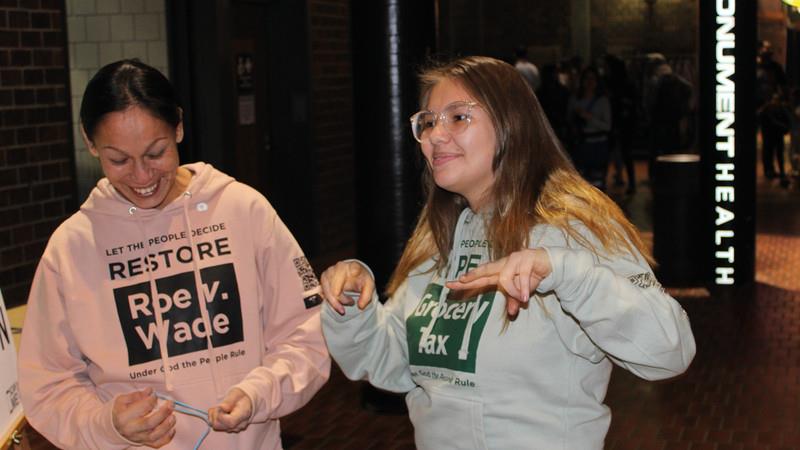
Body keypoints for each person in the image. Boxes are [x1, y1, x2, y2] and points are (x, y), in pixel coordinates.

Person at [319, 56, 695, 450]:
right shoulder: (439, 236)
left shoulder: (575, 224)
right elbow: (393, 363)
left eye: (458, 118)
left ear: (510, 124)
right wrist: (352, 307)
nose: (434, 135)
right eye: (428, 122)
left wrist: (565, 273)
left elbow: (670, 351)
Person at [17, 59, 330, 450]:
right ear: (90, 142)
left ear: (178, 127)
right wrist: (106, 423)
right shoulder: (72, 247)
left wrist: (257, 394)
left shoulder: (242, 211)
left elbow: (306, 336)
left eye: (155, 152)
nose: (142, 177)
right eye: (119, 160)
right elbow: (47, 384)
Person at [567, 66, 612, 190]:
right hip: (581, 144)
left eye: (592, 79)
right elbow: (569, 120)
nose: (589, 82)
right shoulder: (575, 99)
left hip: (598, 145)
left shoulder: (602, 101)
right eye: (586, 78)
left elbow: (607, 126)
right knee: (580, 183)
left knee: (597, 184)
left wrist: (589, 117)